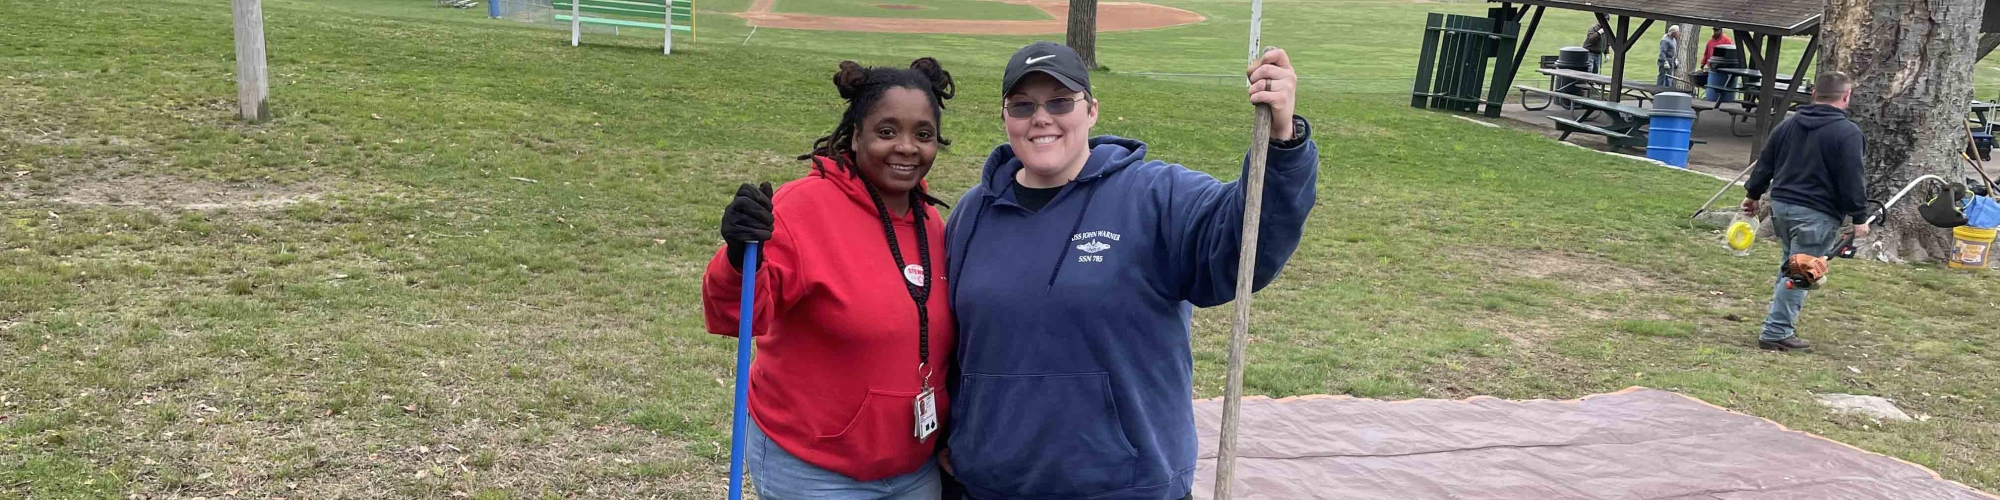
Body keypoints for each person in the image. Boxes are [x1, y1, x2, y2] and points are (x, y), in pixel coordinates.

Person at [939, 41, 1318, 500]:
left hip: (1125, 486)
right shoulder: (971, 214)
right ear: (1005, 118)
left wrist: (1282, 140)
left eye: (1060, 102)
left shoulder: (1157, 195)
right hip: (993, 486)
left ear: (1092, 110)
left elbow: (1244, 242)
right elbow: (951, 345)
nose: (1041, 118)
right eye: (1022, 105)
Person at [704, 58, 959, 500]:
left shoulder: (935, 225)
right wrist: (739, 257)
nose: (906, 147)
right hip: (815, 471)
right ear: (855, 135)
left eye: (923, 134)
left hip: (915, 468)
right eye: (886, 131)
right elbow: (734, 313)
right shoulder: (802, 208)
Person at [1741, 71, 1867, 352]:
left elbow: (1766, 163)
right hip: (1816, 214)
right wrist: (1859, 216)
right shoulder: (1847, 133)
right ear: (1846, 97)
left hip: (1782, 208)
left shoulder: (1789, 125)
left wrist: (1753, 195)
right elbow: (1852, 178)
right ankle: (1776, 332)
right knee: (1802, 273)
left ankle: (1778, 322)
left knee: (1791, 265)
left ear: (1813, 94)